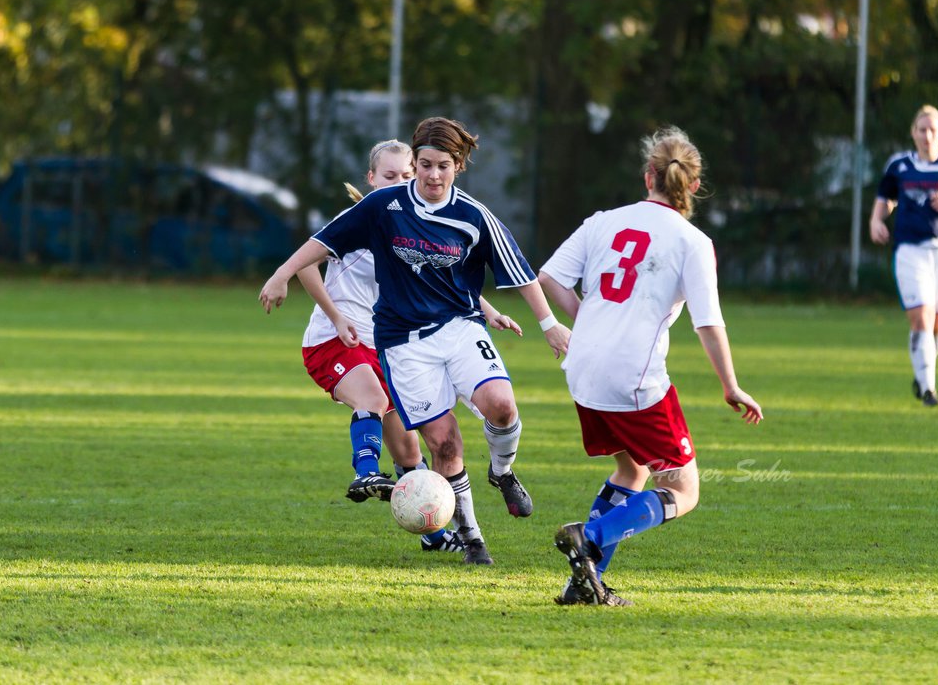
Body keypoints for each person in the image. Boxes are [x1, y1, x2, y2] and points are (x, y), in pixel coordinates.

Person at [261, 117, 571, 566]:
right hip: (402, 344)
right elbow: (321, 243)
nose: (430, 175)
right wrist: (281, 273)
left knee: (501, 404)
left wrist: (548, 324)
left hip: (459, 328)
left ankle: (501, 472)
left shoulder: (474, 215)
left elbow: (519, 272)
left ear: (458, 165)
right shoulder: (383, 208)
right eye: (423, 165)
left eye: (440, 166)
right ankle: (472, 540)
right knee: (441, 444)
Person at [538, 127, 763, 606]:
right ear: (694, 186)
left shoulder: (604, 220)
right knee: (683, 488)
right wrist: (731, 386)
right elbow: (708, 323)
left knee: (632, 469)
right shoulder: (693, 241)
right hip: (632, 379)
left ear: (648, 178)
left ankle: (582, 587)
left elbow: (549, 278)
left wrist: (589, 321)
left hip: (582, 370)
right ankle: (591, 539)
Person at [295, 138, 518, 554]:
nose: (399, 181)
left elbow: (443, 279)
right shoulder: (359, 219)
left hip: (391, 348)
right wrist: (336, 315)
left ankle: (436, 535)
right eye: (389, 175)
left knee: (410, 450)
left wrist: (487, 311)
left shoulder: (412, 222)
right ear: (371, 178)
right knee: (374, 399)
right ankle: (365, 471)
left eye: (406, 175)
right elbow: (305, 262)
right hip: (334, 341)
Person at [870, 105, 938, 407]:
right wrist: (876, 221)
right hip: (910, 250)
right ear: (913, 133)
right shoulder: (899, 165)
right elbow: (885, 198)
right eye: (922, 129)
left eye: (933, 129)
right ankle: (928, 387)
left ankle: (921, 374)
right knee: (921, 319)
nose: (927, 135)